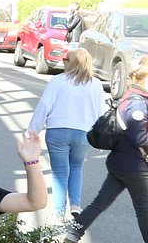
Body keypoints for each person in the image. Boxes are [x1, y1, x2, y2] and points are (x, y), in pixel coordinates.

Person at [65, 57, 148, 243]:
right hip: (135, 167)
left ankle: (73, 234)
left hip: (120, 164)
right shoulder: (137, 105)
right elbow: (141, 137)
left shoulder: (131, 98)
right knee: (144, 208)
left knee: (99, 203)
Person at [28, 48, 106, 219]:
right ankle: (76, 205)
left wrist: (33, 131)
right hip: (84, 133)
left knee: (59, 172)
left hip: (57, 131)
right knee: (77, 167)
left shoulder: (58, 81)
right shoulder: (96, 84)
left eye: (66, 59)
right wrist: (100, 138)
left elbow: (44, 106)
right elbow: (102, 113)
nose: (63, 62)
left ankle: (59, 210)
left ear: (73, 63)